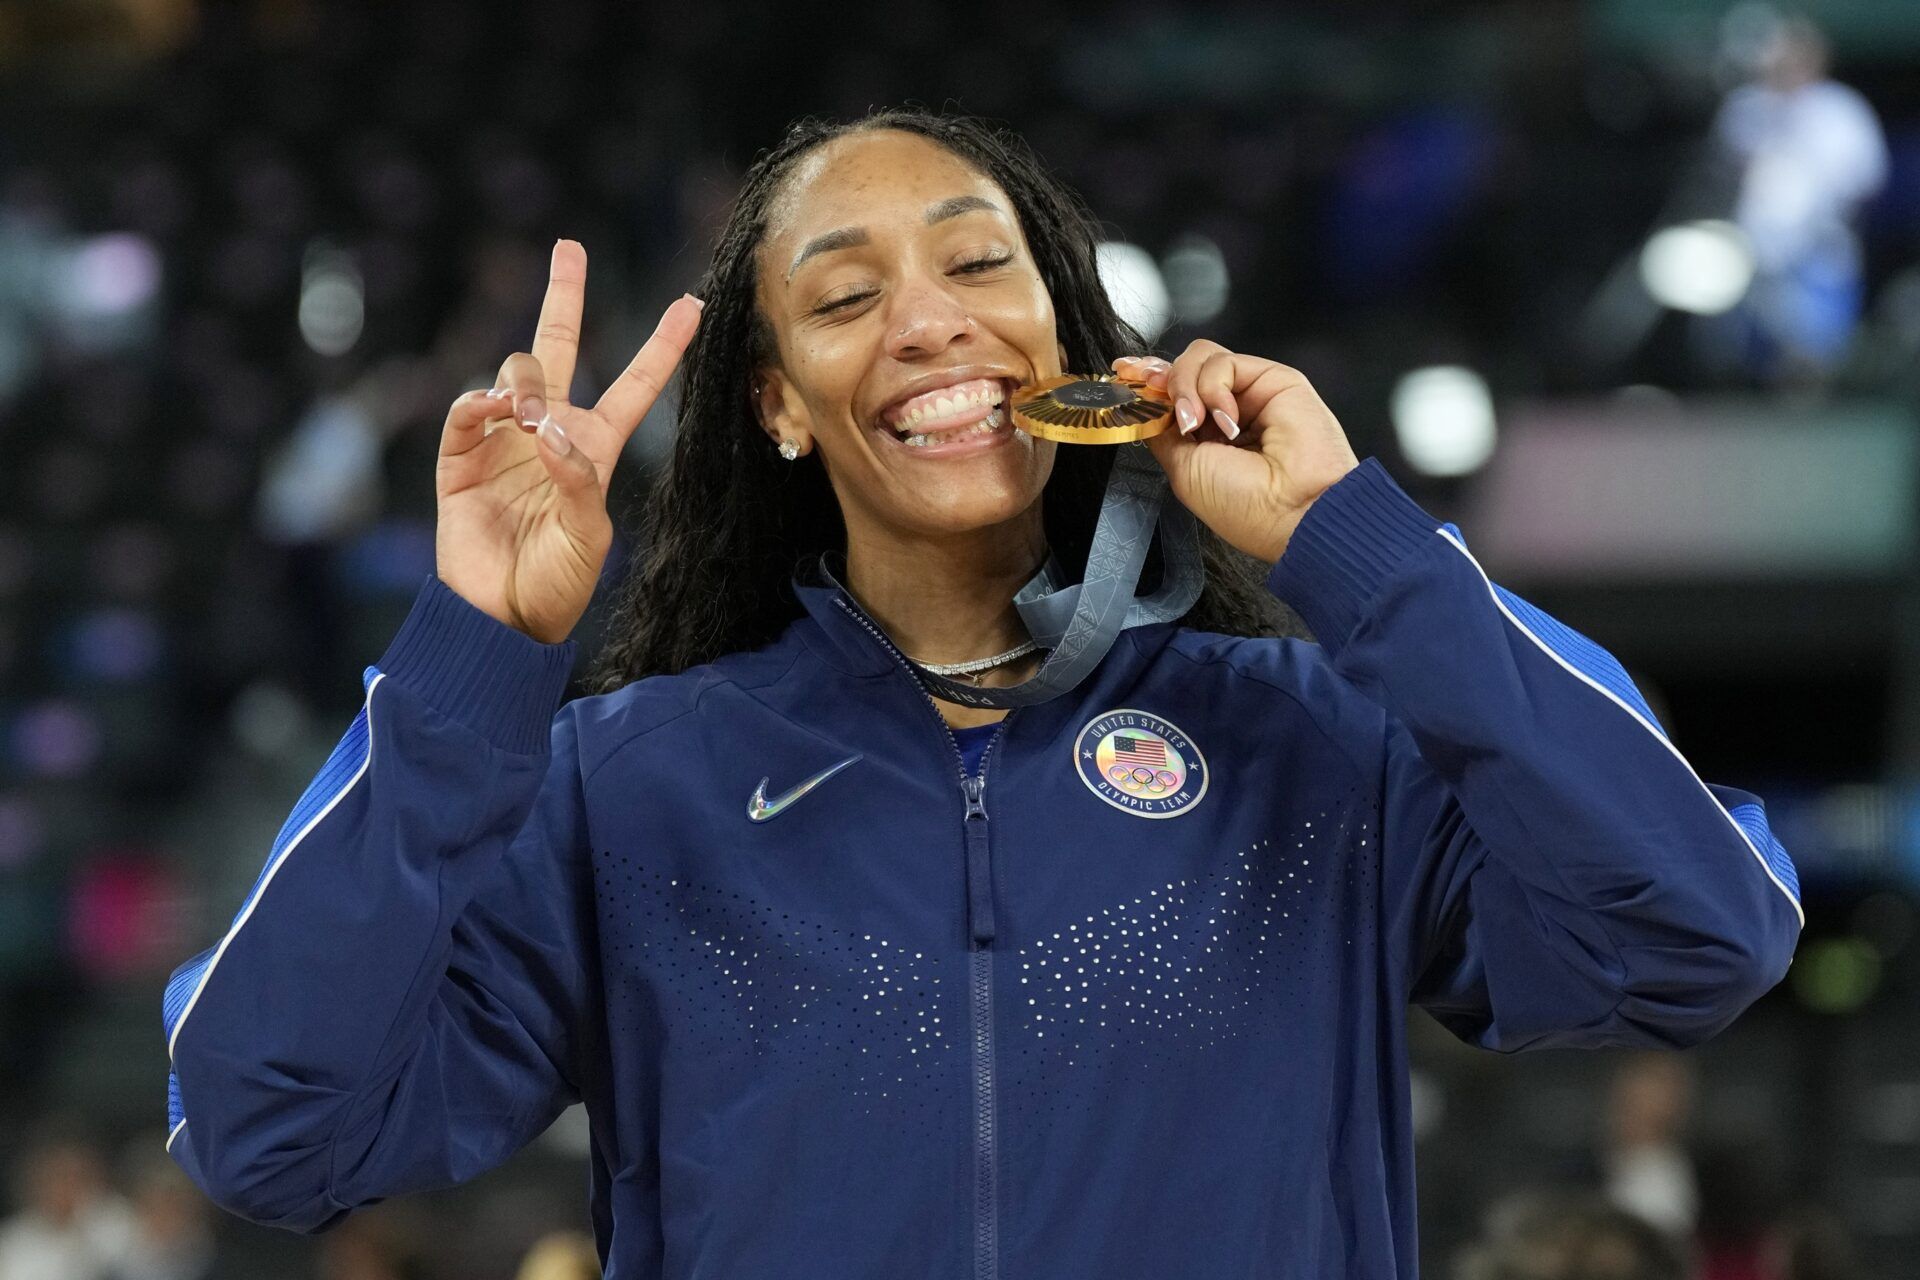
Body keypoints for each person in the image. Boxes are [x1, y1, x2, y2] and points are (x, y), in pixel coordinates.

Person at [158, 107, 1804, 1279]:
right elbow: (270, 1135)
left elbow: (1704, 929)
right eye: (845, 296)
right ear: (778, 405)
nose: (929, 325)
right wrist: (474, 657)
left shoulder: (1312, 746)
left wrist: (1355, 549)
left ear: (1063, 336)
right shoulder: (627, 794)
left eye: (977, 266)